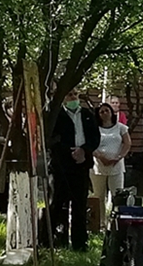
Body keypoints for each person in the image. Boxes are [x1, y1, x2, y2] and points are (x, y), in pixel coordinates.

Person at [47, 93, 97, 251]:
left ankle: (80, 243)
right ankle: (50, 240)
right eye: (69, 95)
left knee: (80, 205)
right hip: (61, 165)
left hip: (81, 164)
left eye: (75, 94)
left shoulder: (87, 115)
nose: (73, 98)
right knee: (57, 203)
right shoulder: (56, 115)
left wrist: (84, 151)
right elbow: (51, 139)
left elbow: (95, 137)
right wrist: (68, 152)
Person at [89, 101, 132, 244]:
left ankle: (115, 223)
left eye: (107, 110)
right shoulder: (94, 128)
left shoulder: (121, 127)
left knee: (117, 196)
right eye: (101, 111)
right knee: (99, 196)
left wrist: (118, 157)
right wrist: (100, 156)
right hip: (98, 166)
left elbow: (127, 143)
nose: (104, 113)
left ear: (111, 112)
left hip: (116, 166)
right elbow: (90, 145)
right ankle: (100, 224)